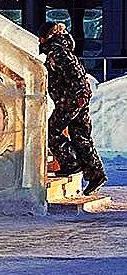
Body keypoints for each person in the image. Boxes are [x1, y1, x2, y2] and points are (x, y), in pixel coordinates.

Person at [39, 21, 107, 195]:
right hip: (77, 99)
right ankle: (96, 174)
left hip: (69, 100)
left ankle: (71, 163)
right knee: (80, 136)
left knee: (51, 132)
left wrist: (78, 95)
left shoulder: (57, 51)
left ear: (45, 37)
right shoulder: (61, 48)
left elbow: (75, 73)